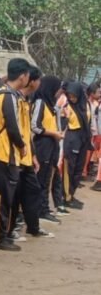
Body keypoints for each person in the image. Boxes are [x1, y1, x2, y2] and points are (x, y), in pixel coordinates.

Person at [0, 58, 31, 251]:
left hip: (7, 153)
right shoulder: (7, 96)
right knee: (1, 197)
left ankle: (1, 234)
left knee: (6, 197)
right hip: (4, 153)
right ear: (23, 76)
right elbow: (12, 127)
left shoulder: (6, 94)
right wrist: (21, 145)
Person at [10, 66, 55, 243]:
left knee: (32, 190)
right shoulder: (13, 98)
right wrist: (21, 147)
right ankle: (10, 229)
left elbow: (27, 131)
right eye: (38, 80)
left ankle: (33, 227)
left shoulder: (26, 100)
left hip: (27, 156)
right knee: (14, 195)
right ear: (32, 81)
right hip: (15, 155)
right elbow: (16, 129)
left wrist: (33, 155)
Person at [32, 76, 64, 223]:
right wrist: (52, 133)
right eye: (57, 88)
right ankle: (38, 209)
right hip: (43, 144)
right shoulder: (40, 103)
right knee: (41, 178)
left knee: (47, 178)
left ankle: (43, 208)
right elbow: (35, 126)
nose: (59, 92)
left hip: (52, 144)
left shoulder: (52, 105)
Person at [61, 81, 91, 210]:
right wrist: (66, 117)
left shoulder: (85, 104)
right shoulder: (67, 106)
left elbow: (88, 122)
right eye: (70, 95)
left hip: (83, 138)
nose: (72, 98)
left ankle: (71, 194)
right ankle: (66, 197)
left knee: (78, 169)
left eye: (74, 96)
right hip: (72, 138)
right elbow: (62, 125)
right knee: (70, 169)